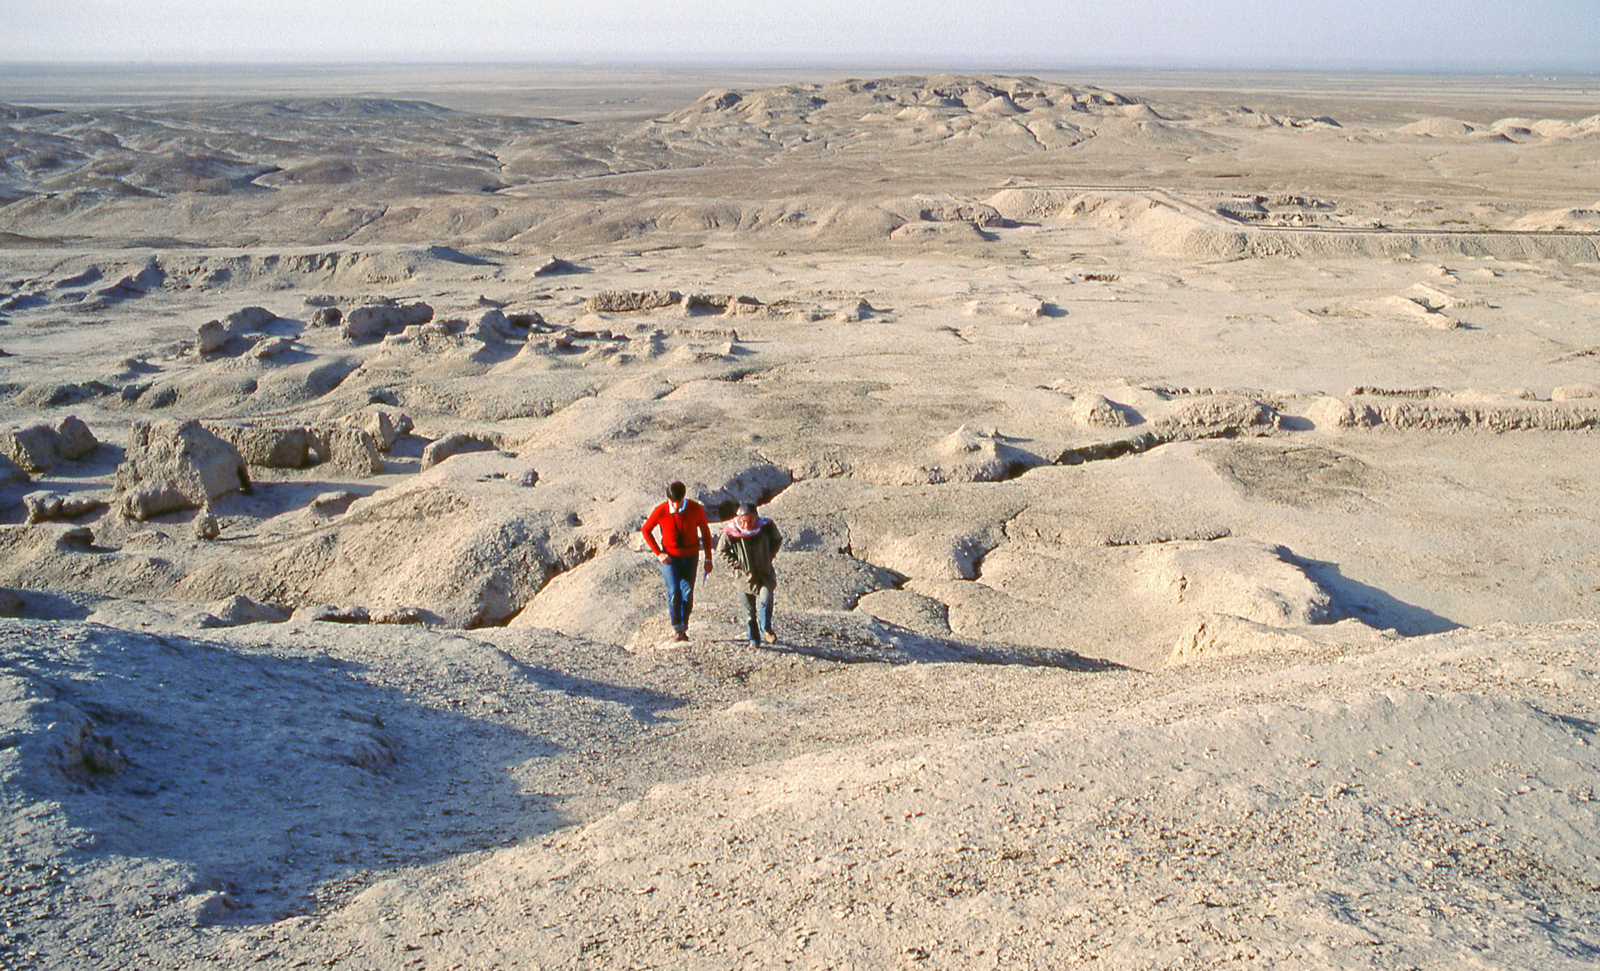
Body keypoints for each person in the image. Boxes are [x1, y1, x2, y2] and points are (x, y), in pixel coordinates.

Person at [641, 481, 713, 642]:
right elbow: (646, 530)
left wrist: (708, 558)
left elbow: (705, 533)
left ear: (683, 498)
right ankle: (677, 628)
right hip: (670, 558)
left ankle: (684, 625)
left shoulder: (695, 509)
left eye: (678, 501)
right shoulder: (660, 511)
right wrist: (658, 553)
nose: (675, 504)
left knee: (687, 593)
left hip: (690, 556)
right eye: (672, 501)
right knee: (674, 591)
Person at [717, 502, 782, 646]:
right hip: (744, 578)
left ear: (756, 517)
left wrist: (768, 555)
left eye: (750, 520)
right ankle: (754, 639)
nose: (747, 525)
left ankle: (766, 629)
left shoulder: (765, 526)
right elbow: (722, 550)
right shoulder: (731, 531)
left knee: (766, 598)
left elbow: (777, 539)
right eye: (743, 521)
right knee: (749, 612)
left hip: (764, 574)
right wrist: (737, 564)